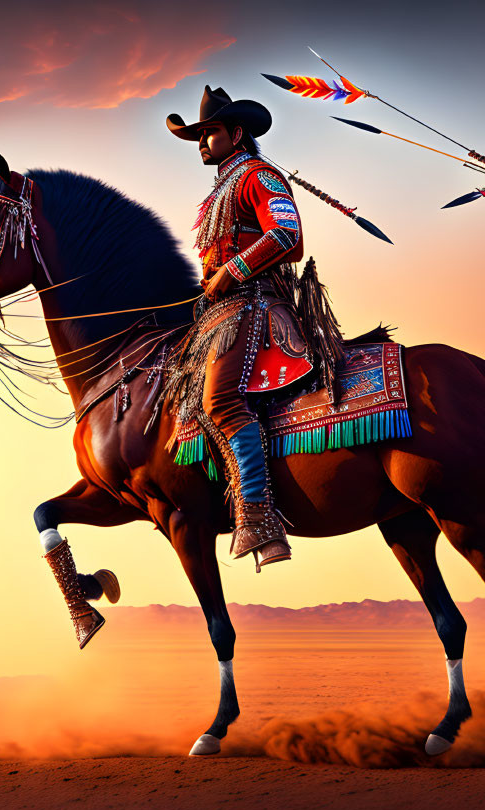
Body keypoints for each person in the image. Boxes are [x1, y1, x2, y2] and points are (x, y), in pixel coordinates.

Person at [165, 85, 314, 570]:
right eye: (199, 136)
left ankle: (259, 515)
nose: (202, 143)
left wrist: (231, 272)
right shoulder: (223, 188)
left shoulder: (257, 175)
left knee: (220, 399)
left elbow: (288, 235)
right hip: (224, 309)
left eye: (210, 133)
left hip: (252, 306)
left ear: (237, 133)